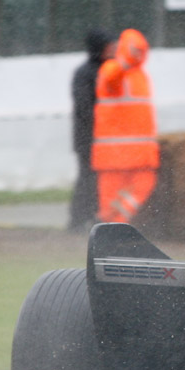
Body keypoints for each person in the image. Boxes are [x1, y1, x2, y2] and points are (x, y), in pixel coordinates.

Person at [92, 28, 159, 224]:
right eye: (134, 50)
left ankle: (117, 224)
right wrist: (125, 60)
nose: (137, 54)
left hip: (139, 153)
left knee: (143, 185)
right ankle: (107, 228)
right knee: (109, 202)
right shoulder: (112, 69)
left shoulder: (142, 76)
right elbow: (112, 78)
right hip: (115, 154)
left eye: (140, 50)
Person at [68, 29, 116, 232]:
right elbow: (84, 107)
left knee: (102, 181)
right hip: (88, 138)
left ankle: (97, 217)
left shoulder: (111, 70)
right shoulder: (85, 72)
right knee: (87, 179)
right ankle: (78, 219)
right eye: (109, 45)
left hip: (104, 139)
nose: (113, 49)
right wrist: (101, 127)